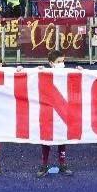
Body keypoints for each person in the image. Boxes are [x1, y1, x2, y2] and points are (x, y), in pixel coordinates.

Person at [37, 50, 73, 178]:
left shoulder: (67, 73)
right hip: (47, 110)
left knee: (62, 137)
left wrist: (81, 71)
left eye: (63, 61)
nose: (62, 64)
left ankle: (62, 164)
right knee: (46, 138)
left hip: (62, 110)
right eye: (58, 62)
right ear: (51, 63)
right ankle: (44, 164)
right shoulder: (44, 73)